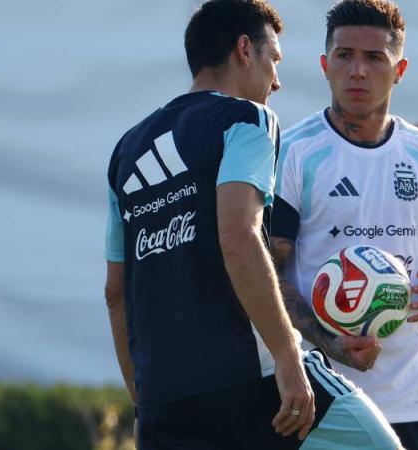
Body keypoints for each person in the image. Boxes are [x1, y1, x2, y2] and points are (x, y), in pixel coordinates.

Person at [104, 1, 399, 449]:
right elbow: (239, 235)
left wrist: (143, 403)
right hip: (251, 376)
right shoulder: (247, 118)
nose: (276, 81)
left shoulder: (127, 150)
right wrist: (288, 357)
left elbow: (115, 292)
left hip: (164, 398)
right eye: (274, 59)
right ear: (245, 49)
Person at [269, 1, 418, 449]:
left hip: (412, 396)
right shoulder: (293, 153)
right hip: (321, 396)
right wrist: (330, 343)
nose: (358, 71)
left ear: (399, 70)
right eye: (344, 56)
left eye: (374, 58)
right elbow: (268, 274)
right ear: (325, 66)